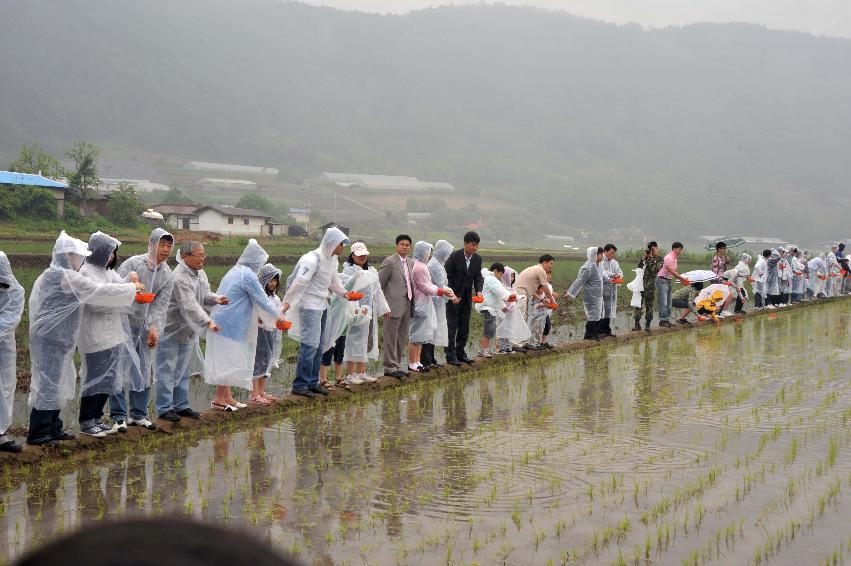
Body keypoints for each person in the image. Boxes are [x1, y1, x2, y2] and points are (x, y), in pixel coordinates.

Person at [27, 232, 141, 446]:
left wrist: (128, 285)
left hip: (59, 339)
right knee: (48, 384)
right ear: (65, 255)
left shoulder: (60, 274)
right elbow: (96, 291)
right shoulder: (64, 276)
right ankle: (39, 433)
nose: (79, 259)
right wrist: (131, 288)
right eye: (75, 255)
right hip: (50, 338)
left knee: (57, 382)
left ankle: (53, 427)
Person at [77, 232, 144, 437]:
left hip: (112, 335)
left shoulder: (106, 272)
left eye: (114, 253)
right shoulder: (86, 272)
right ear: (98, 252)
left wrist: (131, 280)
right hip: (95, 336)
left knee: (108, 380)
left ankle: (96, 418)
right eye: (109, 252)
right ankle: (87, 421)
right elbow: (97, 301)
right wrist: (130, 289)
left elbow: (118, 285)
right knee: (95, 379)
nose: (112, 257)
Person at [109, 228, 175, 432]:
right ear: (152, 244)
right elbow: (115, 288)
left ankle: (139, 414)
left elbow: (160, 305)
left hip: (144, 326)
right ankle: (119, 417)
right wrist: (132, 290)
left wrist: (154, 328)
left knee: (144, 367)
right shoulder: (133, 264)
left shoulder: (167, 274)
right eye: (161, 245)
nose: (165, 250)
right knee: (119, 367)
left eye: (169, 246)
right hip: (124, 321)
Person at [206, 240, 283, 409]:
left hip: (226, 321)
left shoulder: (235, 271)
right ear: (255, 261)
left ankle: (228, 398)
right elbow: (262, 300)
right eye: (260, 263)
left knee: (228, 360)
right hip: (230, 323)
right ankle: (219, 400)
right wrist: (279, 317)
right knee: (227, 361)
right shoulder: (247, 275)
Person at [156, 240, 226, 421]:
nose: (202, 259)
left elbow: (204, 295)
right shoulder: (179, 277)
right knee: (167, 370)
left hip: (187, 332)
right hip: (171, 331)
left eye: (204, 255)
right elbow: (190, 305)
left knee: (182, 369)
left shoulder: (200, 273)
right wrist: (208, 322)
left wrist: (216, 299)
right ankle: (164, 408)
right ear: (186, 256)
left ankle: (181, 405)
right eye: (199, 255)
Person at [283, 227, 352, 397]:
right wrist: (287, 302)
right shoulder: (312, 259)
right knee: (310, 344)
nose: (343, 248)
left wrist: (345, 293)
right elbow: (299, 282)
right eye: (341, 244)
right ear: (333, 243)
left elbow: (333, 281)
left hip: (322, 304)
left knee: (320, 345)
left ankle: (313, 382)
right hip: (309, 305)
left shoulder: (331, 260)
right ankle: (300, 384)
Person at [341, 242, 389, 384]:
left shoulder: (372, 270)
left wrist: (385, 308)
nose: (363, 257)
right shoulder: (349, 271)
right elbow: (345, 289)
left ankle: (361, 372)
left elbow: (378, 291)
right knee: (352, 341)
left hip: (369, 311)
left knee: (366, 341)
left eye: (364, 255)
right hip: (354, 311)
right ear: (353, 255)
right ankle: (351, 374)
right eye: (359, 255)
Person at [408, 241, 454, 372]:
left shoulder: (420, 265)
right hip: (420, 303)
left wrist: (440, 290)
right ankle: (413, 362)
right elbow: (424, 286)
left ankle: (417, 361)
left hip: (424, 303)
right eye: (428, 251)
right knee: (416, 335)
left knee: (422, 335)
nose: (429, 254)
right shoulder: (419, 267)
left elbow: (428, 284)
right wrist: (440, 291)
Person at [444, 231, 484, 365]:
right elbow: (446, 277)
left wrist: (478, 291)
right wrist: (452, 295)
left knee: (464, 326)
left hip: (467, 298)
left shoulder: (477, 259)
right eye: (473, 245)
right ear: (465, 243)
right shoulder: (454, 257)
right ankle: (450, 356)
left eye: (477, 245)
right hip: (453, 297)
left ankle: (461, 352)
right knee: (451, 326)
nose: (475, 248)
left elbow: (478, 277)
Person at [379, 235, 415, 377]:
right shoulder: (389, 262)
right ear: (396, 245)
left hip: (407, 303)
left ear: (410, 247)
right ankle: (389, 367)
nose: (404, 247)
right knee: (390, 337)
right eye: (402, 244)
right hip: (392, 305)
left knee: (402, 337)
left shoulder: (410, 262)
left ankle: (397, 365)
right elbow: (379, 284)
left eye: (407, 245)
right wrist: (384, 305)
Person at [0, 252, 25, 453]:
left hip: (4, 348)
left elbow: (8, 321)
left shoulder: (15, 292)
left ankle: (0, 433)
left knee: (5, 386)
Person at [250, 264, 282, 405]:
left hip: (272, 332)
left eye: (275, 280)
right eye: (270, 280)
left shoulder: (275, 298)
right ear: (263, 281)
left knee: (267, 360)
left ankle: (261, 392)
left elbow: (279, 314)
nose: (273, 283)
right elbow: (253, 314)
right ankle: (254, 394)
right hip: (260, 331)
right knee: (258, 361)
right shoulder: (259, 297)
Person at [423, 240, 453, 368]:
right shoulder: (434, 265)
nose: (447, 256)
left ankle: (431, 358)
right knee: (430, 330)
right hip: (434, 300)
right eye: (446, 253)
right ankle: (426, 360)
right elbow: (441, 285)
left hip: (438, 301)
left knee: (434, 330)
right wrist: (452, 295)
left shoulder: (439, 264)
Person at [515, 254, 556, 348]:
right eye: (550, 263)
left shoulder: (534, 269)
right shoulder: (541, 270)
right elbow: (545, 288)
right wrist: (552, 301)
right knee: (521, 320)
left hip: (521, 294)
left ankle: (524, 343)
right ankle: (518, 345)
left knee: (523, 319)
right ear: (544, 262)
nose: (551, 266)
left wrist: (542, 299)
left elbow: (532, 289)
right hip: (521, 295)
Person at [565, 247, 604, 340]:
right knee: (592, 315)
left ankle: (594, 333)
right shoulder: (587, 268)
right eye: (601, 254)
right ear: (595, 255)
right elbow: (579, 281)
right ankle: (589, 334)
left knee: (597, 314)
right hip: (590, 296)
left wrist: (610, 278)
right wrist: (569, 293)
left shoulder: (598, 265)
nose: (602, 256)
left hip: (598, 295)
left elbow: (602, 276)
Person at [476, 262, 513, 358]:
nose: (501, 277)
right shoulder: (491, 279)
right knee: (489, 329)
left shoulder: (490, 279)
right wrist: (509, 296)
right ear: (496, 271)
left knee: (491, 329)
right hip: (488, 307)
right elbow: (500, 291)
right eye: (501, 274)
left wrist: (503, 306)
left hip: (491, 307)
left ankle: (486, 349)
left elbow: (496, 296)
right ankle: (484, 350)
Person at [495, 267, 531, 353]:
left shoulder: (513, 288)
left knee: (510, 329)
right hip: (505, 312)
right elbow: (500, 299)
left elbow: (515, 297)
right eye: (510, 276)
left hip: (512, 312)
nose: (512, 279)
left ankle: (509, 347)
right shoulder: (502, 288)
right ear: (505, 276)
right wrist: (505, 305)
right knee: (503, 329)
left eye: (513, 277)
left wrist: (520, 297)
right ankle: (502, 348)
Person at [656, 242, 690, 327]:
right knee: (663, 301)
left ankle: (666, 319)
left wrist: (682, 280)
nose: (680, 251)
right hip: (662, 280)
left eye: (681, 250)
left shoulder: (675, 258)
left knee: (669, 301)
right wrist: (682, 279)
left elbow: (674, 271)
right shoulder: (668, 257)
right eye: (679, 249)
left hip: (669, 280)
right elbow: (671, 271)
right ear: (674, 249)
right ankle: (662, 320)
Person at [633, 241, 662, 332]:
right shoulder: (645, 258)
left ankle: (648, 324)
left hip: (650, 286)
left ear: (657, 248)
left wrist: (651, 259)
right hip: (640, 284)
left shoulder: (660, 259)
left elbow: (655, 269)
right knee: (638, 304)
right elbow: (639, 267)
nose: (651, 251)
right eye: (650, 250)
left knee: (649, 305)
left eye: (653, 249)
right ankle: (637, 324)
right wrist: (643, 258)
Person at [599, 244, 623, 338]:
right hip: (602, 289)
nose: (612, 255)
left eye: (614, 253)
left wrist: (618, 276)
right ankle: (600, 331)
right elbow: (602, 273)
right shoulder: (600, 261)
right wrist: (612, 275)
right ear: (605, 251)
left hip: (612, 289)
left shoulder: (614, 262)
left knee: (608, 309)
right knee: (602, 309)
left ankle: (607, 330)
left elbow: (620, 273)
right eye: (611, 253)